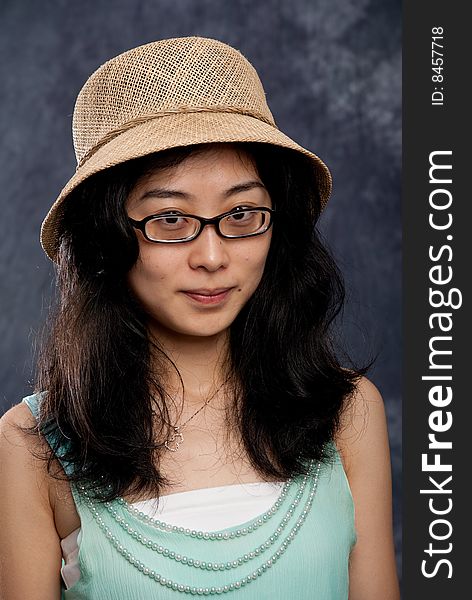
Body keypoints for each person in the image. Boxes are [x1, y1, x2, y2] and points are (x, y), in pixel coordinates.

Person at [0, 37, 399, 599]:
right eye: (169, 218)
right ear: (104, 240)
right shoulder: (31, 441)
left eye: (241, 214)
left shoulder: (349, 412)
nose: (212, 257)